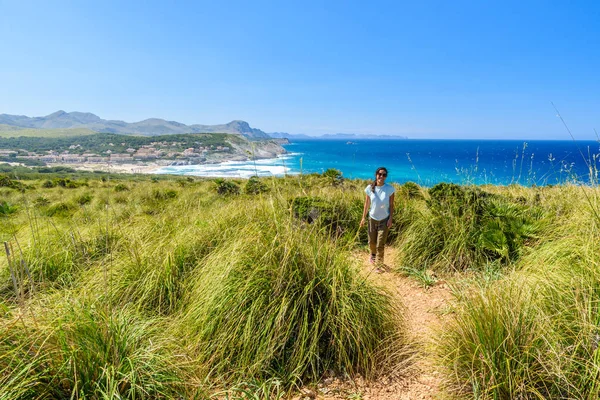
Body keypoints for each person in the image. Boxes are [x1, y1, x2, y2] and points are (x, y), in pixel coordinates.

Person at [360, 167, 395, 270]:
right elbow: (366, 204)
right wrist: (363, 218)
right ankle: (373, 254)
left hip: (384, 219)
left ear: (386, 177)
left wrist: (390, 218)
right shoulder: (370, 188)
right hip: (372, 219)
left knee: (380, 244)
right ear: (376, 175)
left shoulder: (389, 189)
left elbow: (392, 205)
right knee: (371, 242)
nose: (381, 176)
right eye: (380, 174)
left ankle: (379, 265)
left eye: (384, 175)